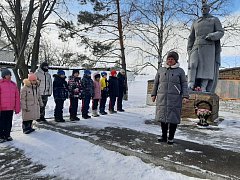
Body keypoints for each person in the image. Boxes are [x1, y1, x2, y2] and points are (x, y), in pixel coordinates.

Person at [151, 51, 189, 145]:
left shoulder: (180, 71)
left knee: (173, 118)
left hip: (175, 98)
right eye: (168, 59)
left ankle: (171, 138)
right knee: (163, 118)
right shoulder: (161, 70)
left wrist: (185, 95)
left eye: (172, 59)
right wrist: (153, 94)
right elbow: (156, 83)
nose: (170, 61)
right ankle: (164, 136)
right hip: (162, 97)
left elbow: (184, 84)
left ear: (175, 61)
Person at [187, 3, 224, 93]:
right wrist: (189, 49)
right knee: (192, 64)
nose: (203, 9)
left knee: (206, 68)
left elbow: (220, 32)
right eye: (202, 8)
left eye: (205, 8)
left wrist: (212, 35)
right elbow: (191, 37)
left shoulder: (214, 20)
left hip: (209, 47)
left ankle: (203, 86)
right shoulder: (196, 22)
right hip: (196, 45)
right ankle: (191, 83)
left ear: (208, 9)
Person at [0, 68, 20, 143]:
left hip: (10, 108)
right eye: (8, 75)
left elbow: (17, 97)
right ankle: (1, 136)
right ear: (4, 76)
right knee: (1, 122)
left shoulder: (13, 84)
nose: (10, 76)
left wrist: (17, 107)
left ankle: (7, 135)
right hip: (2, 108)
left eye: (10, 75)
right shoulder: (0, 84)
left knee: (9, 122)